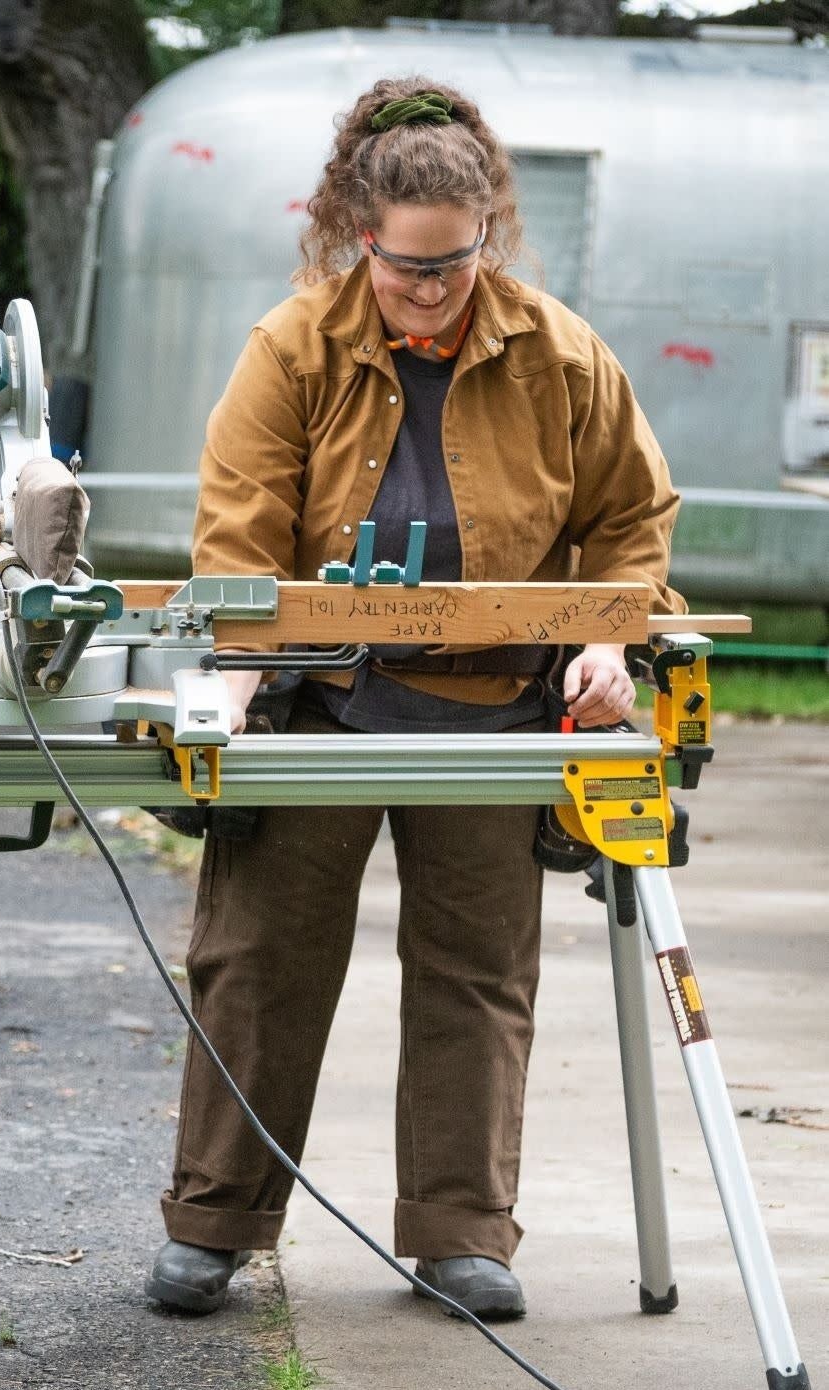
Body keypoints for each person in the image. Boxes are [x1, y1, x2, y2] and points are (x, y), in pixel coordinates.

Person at [145, 80, 684, 1318]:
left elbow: (631, 519)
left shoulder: (561, 353)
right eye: (404, 269)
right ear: (358, 235)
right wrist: (231, 685)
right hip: (321, 702)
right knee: (258, 963)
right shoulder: (292, 346)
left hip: (495, 709)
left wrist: (607, 641)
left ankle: (460, 1232)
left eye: (454, 265)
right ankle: (217, 1221)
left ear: (488, 235)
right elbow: (239, 539)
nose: (430, 293)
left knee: (477, 974)